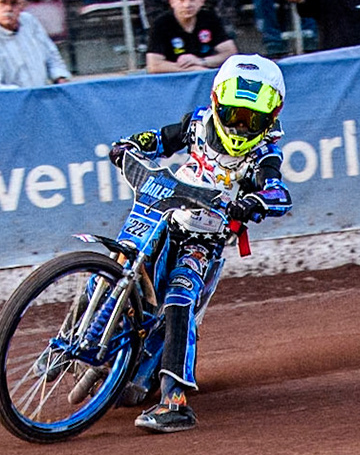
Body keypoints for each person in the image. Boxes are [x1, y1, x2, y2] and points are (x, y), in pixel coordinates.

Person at [107, 55, 293, 433]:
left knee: (178, 300)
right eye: (234, 114)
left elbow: (278, 190)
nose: (240, 126)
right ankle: (85, 332)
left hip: (204, 240)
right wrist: (130, 145)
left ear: (270, 118)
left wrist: (256, 201)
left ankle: (174, 401)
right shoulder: (198, 123)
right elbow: (160, 139)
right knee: (120, 259)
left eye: (251, 119)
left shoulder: (264, 153)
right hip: (167, 212)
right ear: (216, 103)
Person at [145, 0, 237, 72]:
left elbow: (230, 53)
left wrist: (201, 61)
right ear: (172, 1)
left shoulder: (210, 18)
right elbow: (153, 65)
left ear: (202, 1)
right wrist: (193, 70)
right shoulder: (161, 24)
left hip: (205, 75)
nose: (187, 4)